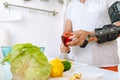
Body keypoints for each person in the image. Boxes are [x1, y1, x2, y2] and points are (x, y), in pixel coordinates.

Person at [60, 0, 120, 72]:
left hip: (105, 64)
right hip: (79, 65)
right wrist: (64, 43)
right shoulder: (71, 5)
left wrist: (90, 36)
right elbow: (67, 31)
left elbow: (118, 28)